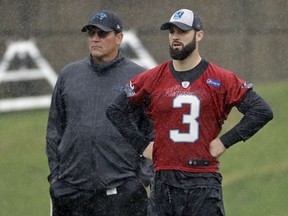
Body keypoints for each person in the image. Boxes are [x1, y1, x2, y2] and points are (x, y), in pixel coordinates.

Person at [106, 8, 273, 216]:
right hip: (164, 181)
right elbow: (116, 111)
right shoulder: (152, 78)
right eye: (172, 31)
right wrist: (142, 146)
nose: (175, 37)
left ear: (199, 35)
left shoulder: (221, 78)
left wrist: (225, 141)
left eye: (182, 31)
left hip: (202, 181)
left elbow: (261, 111)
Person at [46, 10, 154, 216]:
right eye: (91, 33)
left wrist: (142, 180)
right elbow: (54, 130)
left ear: (119, 38)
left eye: (102, 34)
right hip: (70, 193)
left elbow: (154, 132)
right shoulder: (69, 74)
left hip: (122, 195)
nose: (95, 38)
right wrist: (55, 178)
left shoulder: (139, 77)